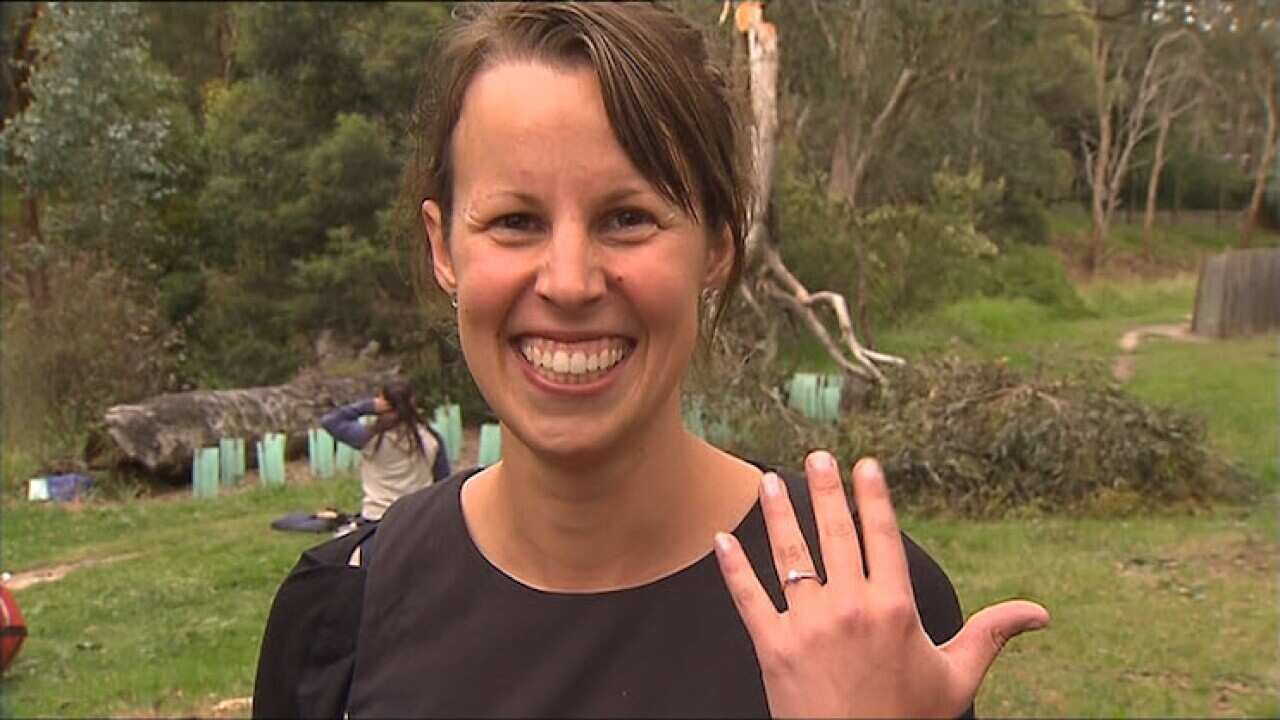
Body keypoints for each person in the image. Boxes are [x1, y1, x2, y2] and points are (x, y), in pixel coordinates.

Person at [254, 4, 1049, 717]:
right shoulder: (342, 617)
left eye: (629, 217)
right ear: (444, 247)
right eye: (515, 221)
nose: (568, 282)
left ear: (717, 247)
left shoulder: (864, 614)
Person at [319, 379, 451, 525]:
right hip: (419, 518)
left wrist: (368, 406)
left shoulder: (371, 438)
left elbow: (330, 421)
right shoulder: (431, 439)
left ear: (383, 404)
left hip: (378, 517)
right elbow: (444, 483)